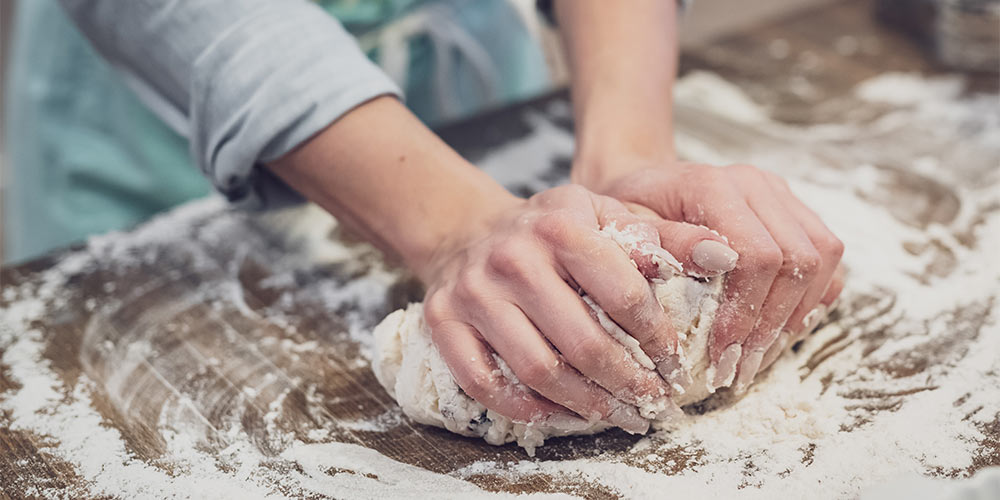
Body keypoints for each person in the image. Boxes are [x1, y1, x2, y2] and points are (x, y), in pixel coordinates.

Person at [5, 0, 843, 430]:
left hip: (464, 71)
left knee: (546, 281)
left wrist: (625, 155)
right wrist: (455, 225)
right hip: (172, 111)